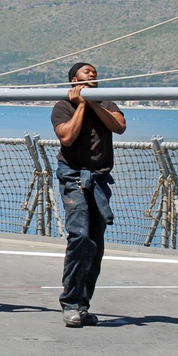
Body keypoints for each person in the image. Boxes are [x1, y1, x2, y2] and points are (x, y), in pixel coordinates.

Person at [51, 62, 126, 327]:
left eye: (94, 72)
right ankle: (70, 303)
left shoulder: (106, 102)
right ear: (74, 80)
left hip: (99, 179)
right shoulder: (63, 106)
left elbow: (119, 127)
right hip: (73, 176)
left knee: (95, 245)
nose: (92, 74)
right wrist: (81, 105)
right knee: (80, 237)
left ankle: (82, 307)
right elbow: (67, 138)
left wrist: (93, 103)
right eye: (86, 72)